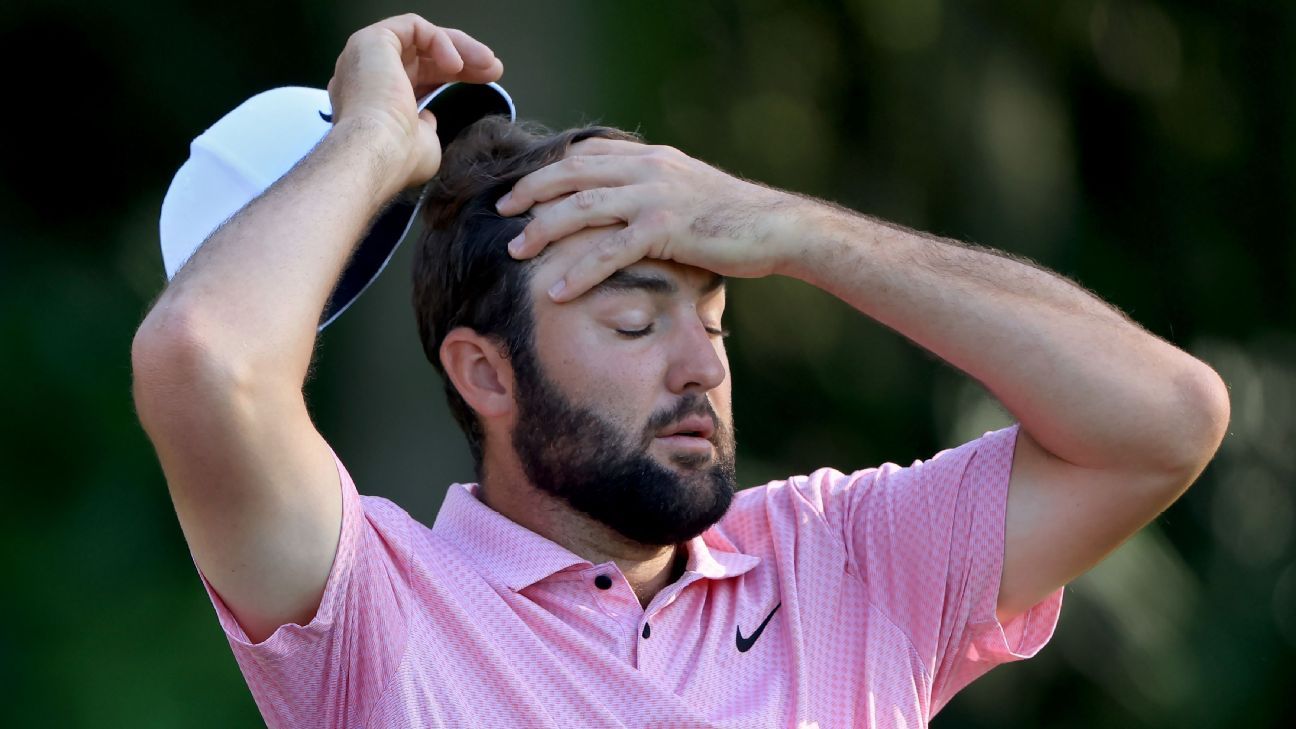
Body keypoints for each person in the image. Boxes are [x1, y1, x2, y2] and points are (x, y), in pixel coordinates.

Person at [130, 13, 1230, 729]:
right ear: (485, 375)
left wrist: (793, 228)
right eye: (631, 325)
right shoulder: (377, 612)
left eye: (715, 318)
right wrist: (371, 143)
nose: (702, 363)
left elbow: (1165, 420)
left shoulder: (842, 563)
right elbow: (202, 359)